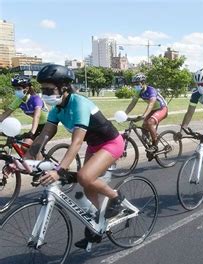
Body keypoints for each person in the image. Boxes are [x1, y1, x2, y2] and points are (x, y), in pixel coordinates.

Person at [25, 64, 125, 249]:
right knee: (88, 188)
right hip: (94, 145)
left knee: (85, 177)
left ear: (63, 88)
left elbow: (76, 143)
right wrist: (25, 160)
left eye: (49, 89)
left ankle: (116, 197)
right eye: (43, 89)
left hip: (112, 143)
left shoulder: (79, 103)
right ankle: (97, 226)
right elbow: (44, 136)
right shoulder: (57, 109)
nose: (45, 93)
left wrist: (59, 170)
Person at [0, 76, 48, 148]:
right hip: (38, 125)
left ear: (27, 88)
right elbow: (5, 114)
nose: (16, 91)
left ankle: (40, 159)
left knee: (34, 148)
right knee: (24, 147)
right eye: (15, 89)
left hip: (48, 125)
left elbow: (37, 117)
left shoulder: (36, 99)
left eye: (18, 89)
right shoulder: (19, 100)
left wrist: (32, 132)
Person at [125, 73, 168, 154]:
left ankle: (154, 146)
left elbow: (151, 104)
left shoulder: (151, 90)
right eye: (134, 84)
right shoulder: (138, 92)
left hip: (162, 109)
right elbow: (132, 103)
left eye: (137, 84)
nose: (135, 86)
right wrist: (124, 114)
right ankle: (149, 145)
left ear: (143, 82)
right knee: (144, 126)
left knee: (150, 122)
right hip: (153, 110)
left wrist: (144, 116)